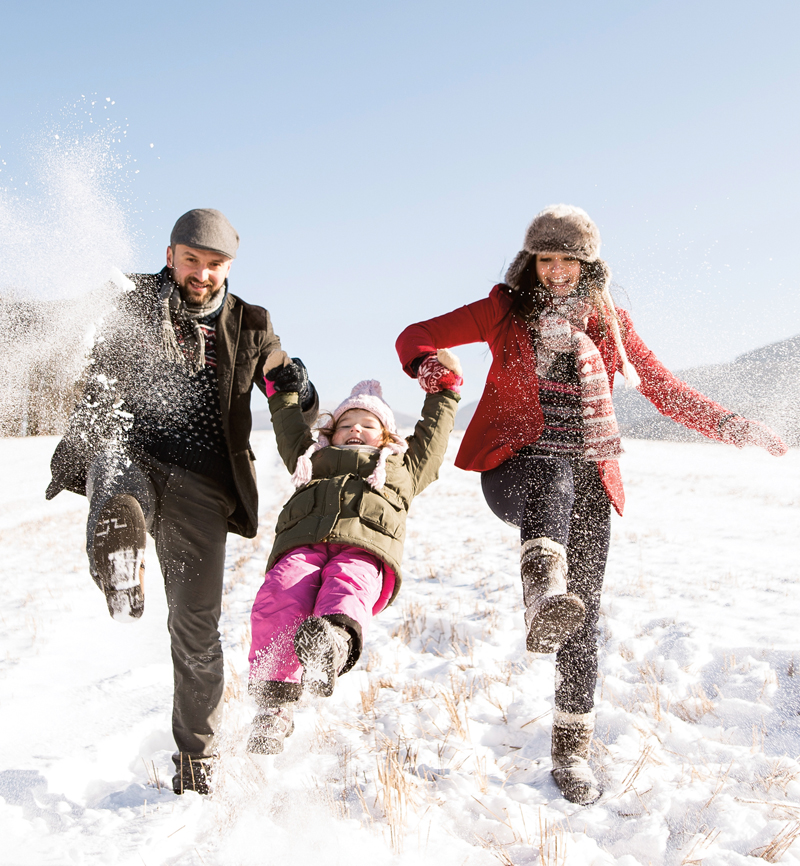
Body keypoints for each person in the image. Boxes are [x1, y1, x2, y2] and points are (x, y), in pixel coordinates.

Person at [395, 204, 787, 806]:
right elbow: (416, 335)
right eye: (544, 259)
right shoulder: (504, 309)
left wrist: (736, 427)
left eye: (567, 260)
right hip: (514, 469)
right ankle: (540, 587)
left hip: (591, 479)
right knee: (554, 469)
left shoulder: (610, 324)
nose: (554, 272)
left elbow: (661, 388)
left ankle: (571, 750)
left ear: (588, 265)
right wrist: (431, 371)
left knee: (584, 614)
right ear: (530, 262)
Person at [45, 208, 318, 794]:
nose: (202, 273)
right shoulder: (135, 298)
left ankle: (198, 763)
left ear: (229, 267)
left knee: (196, 627)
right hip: (133, 447)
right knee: (116, 474)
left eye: (214, 264)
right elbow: (78, 331)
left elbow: (281, 388)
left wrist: (300, 392)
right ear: (171, 256)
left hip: (204, 483)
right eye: (191, 259)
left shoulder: (252, 324)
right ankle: (118, 558)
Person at [245, 350, 462, 753]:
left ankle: (332, 644)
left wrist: (444, 392)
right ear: (332, 430)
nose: (356, 430)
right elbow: (288, 427)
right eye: (347, 424)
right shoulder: (312, 457)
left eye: (368, 424)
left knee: (347, 585)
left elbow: (432, 437)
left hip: (364, 547)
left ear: (386, 435)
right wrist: (280, 389)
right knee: (279, 592)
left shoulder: (402, 466)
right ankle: (273, 708)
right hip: (303, 544)